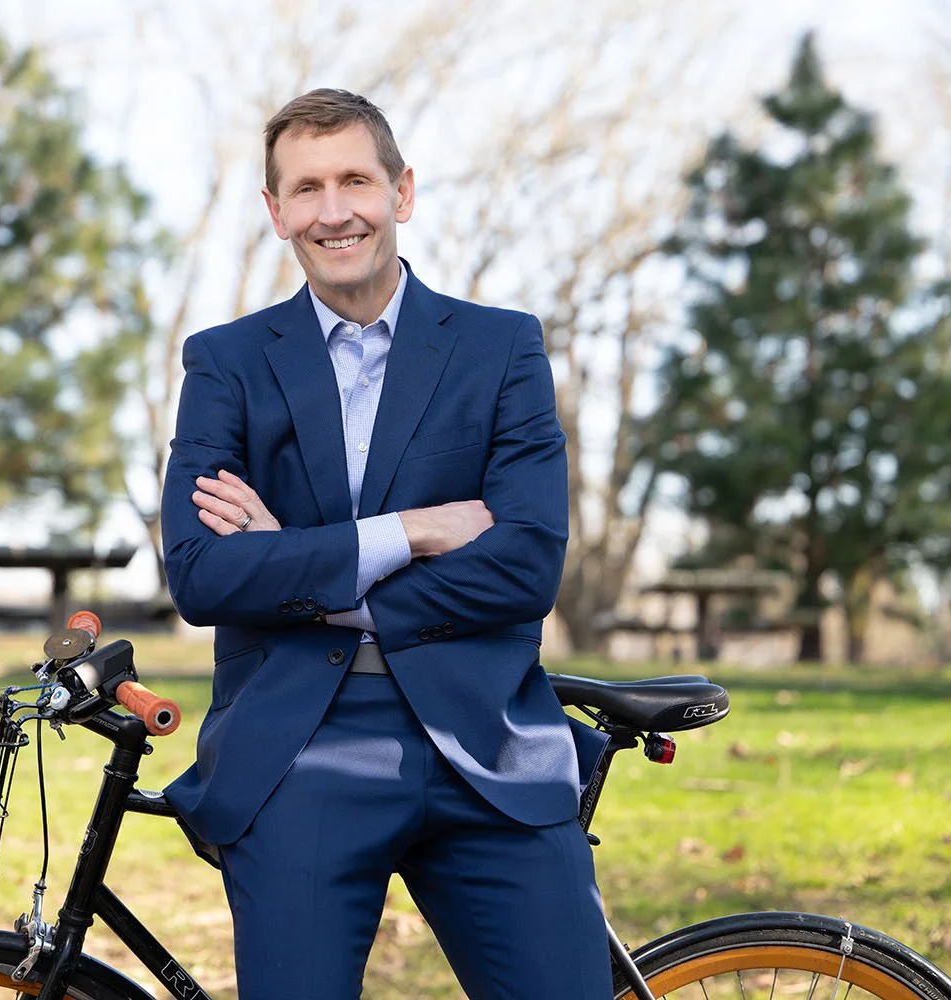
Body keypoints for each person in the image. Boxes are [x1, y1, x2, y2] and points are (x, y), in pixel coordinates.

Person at [159, 88, 611, 999]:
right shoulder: (229, 362)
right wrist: (406, 532)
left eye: (356, 181)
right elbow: (204, 575)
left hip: (487, 745)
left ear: (401, 193)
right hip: (301, 750)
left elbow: (525, 565)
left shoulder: (501, 350)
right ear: (276, 210)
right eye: (309, 188)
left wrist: (301, 562)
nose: (336, 211)